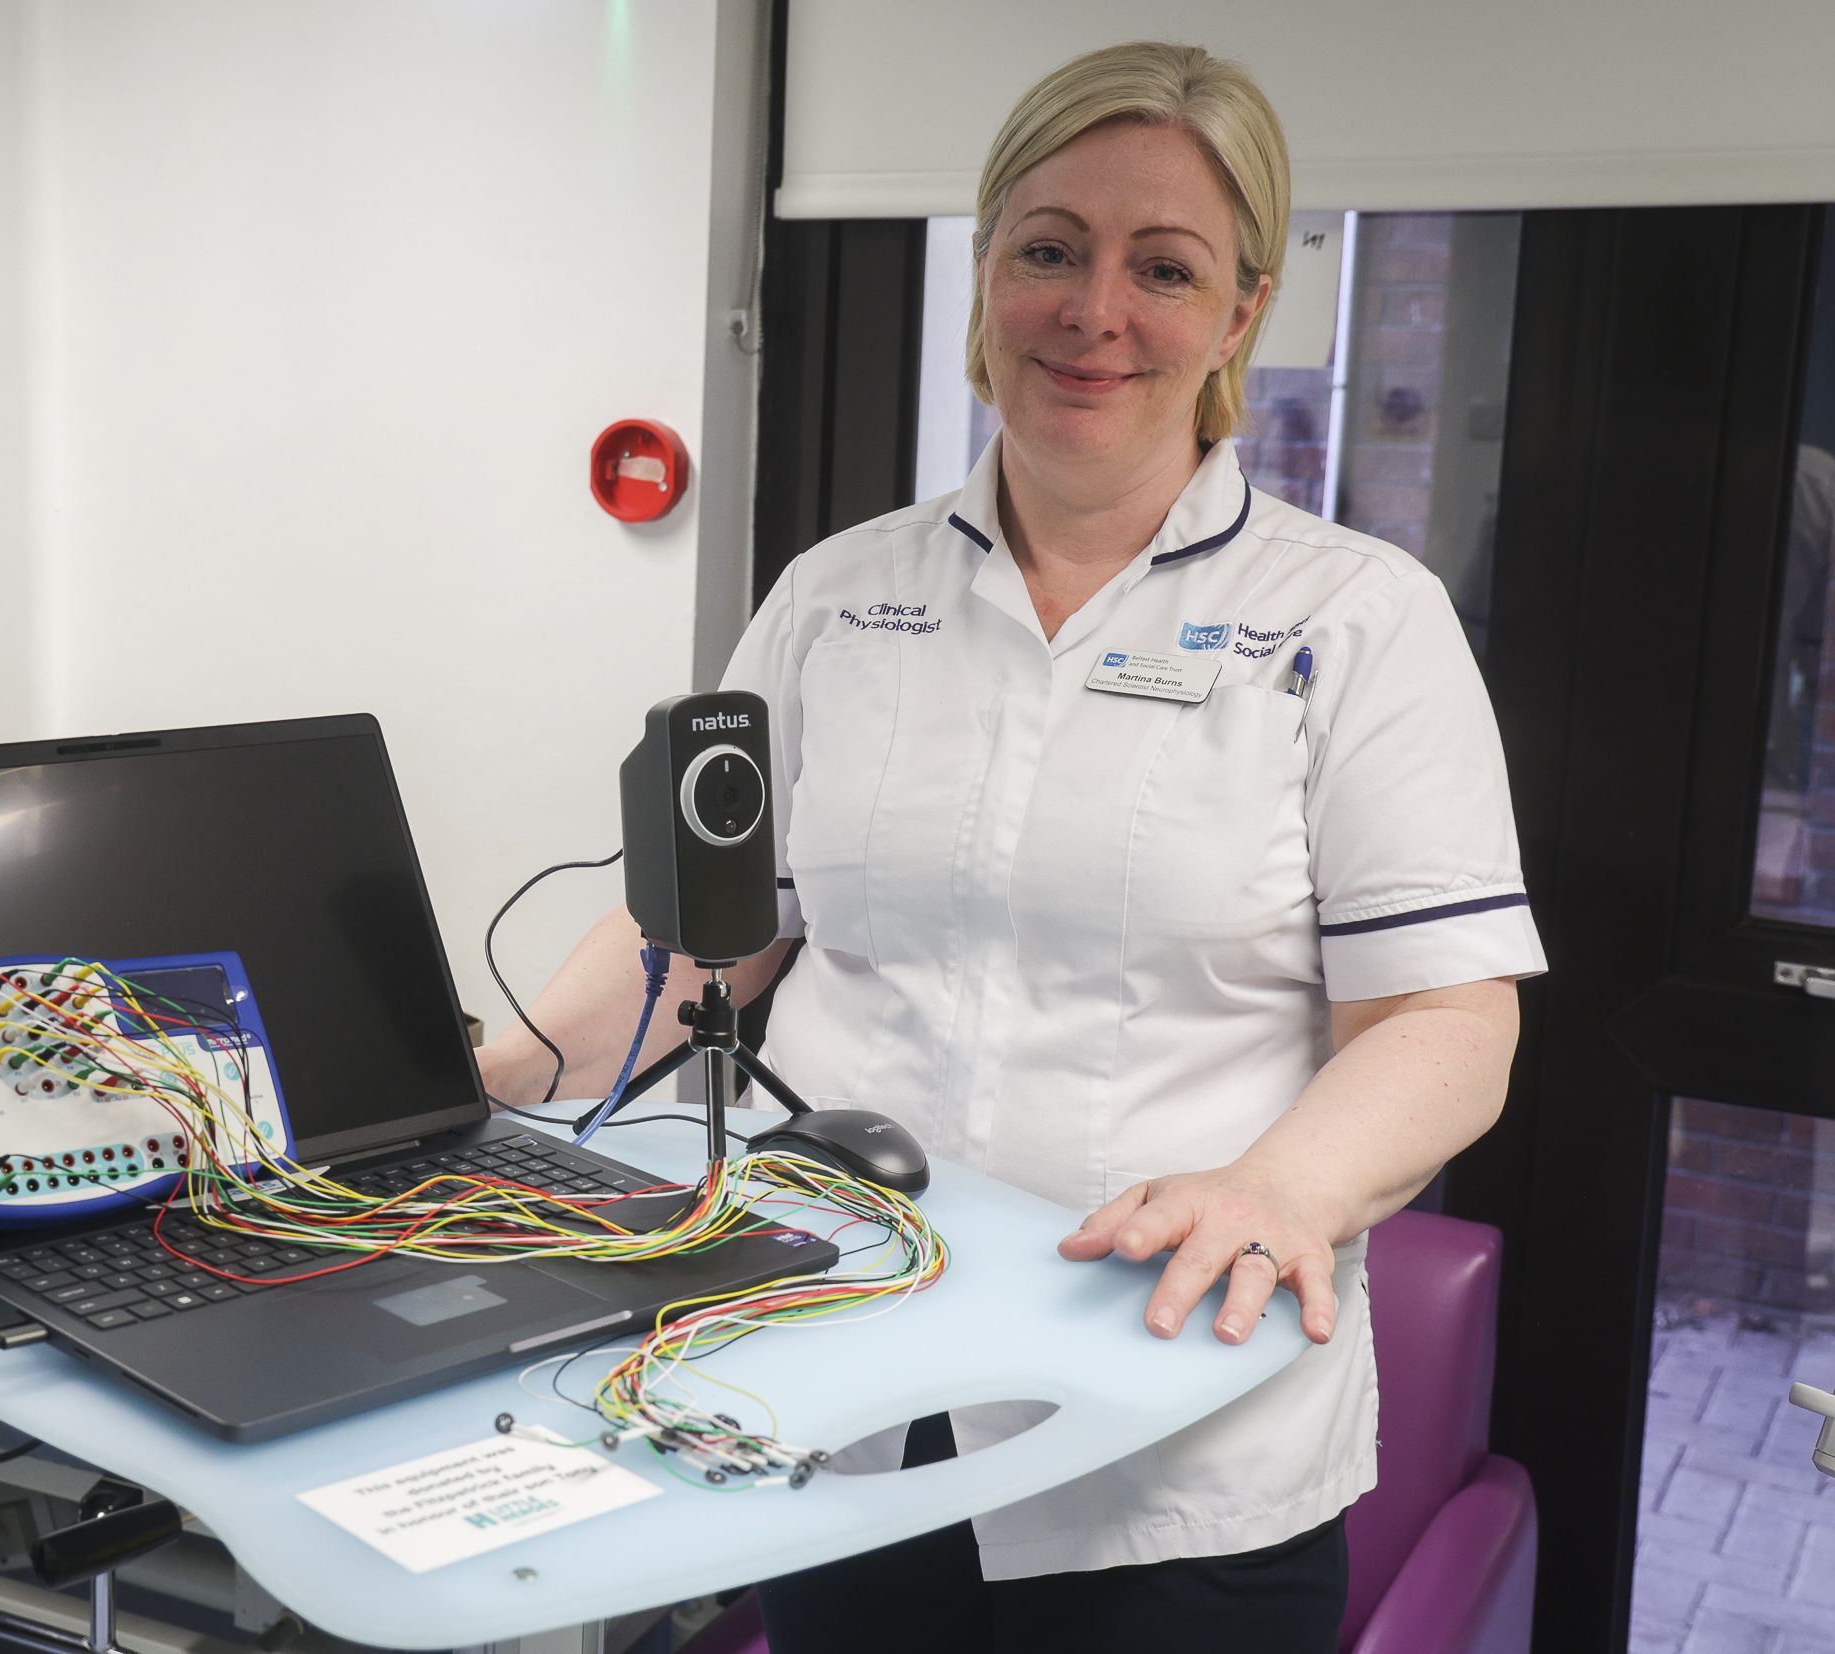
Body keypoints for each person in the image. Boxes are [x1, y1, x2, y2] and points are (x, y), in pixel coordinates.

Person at [475, 39, 1545, 1654]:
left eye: (1162, 267)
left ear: (1240, 310)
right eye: (1048, 248)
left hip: (1169, 1441)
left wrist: (1279, 1186)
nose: (1093, 310)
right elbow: (700, 933)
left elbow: (1452, 1021)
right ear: (986, 268)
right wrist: (474, 1082)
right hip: (840, 1399)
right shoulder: (835, 598)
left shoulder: (1354, 621)